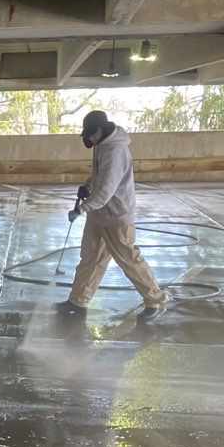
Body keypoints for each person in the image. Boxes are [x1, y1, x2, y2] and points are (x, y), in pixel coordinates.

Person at [55, 110, 168, 321]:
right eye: (87, 135)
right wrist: (87, 184)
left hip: (116, 216)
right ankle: (78, 301)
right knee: (90, 259)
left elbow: (106, 191)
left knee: (129, 261)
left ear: (102, 129)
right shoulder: (102, 144)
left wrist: (81, 209)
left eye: (92, 134)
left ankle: (156, 301)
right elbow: (100, 175)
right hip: (99, 215)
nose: (89, 138)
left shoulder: (115, 151)